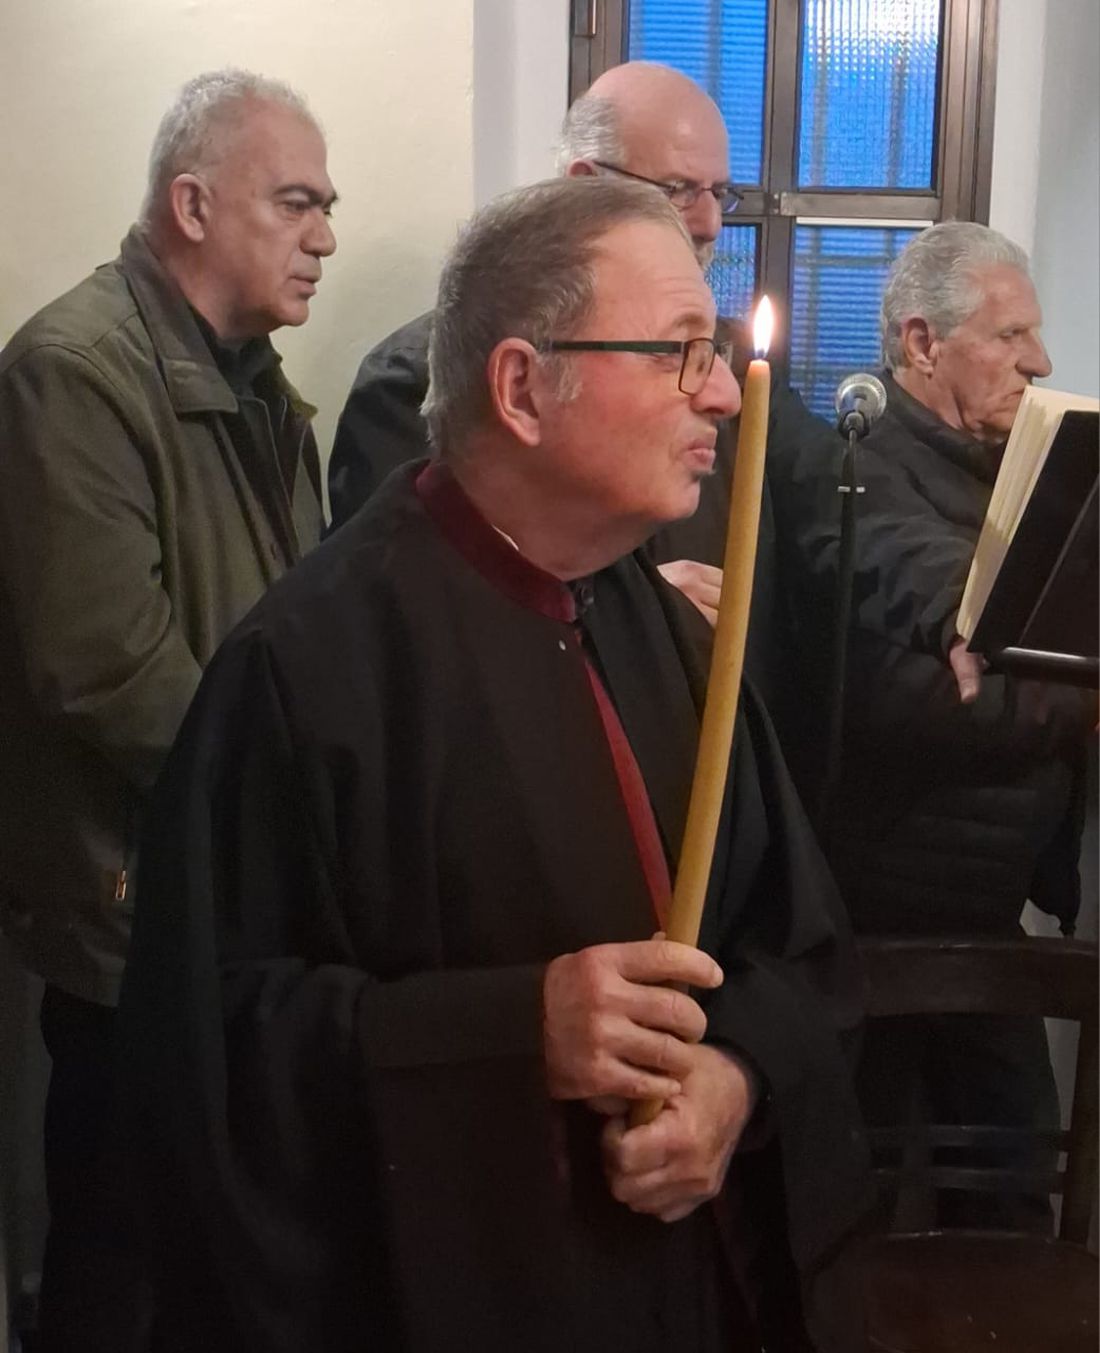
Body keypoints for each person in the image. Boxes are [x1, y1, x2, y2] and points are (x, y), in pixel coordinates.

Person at [119, 178, 870, 1353]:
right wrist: (518, 1031)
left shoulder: (667, 630)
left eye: (718, 353)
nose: (723, 393)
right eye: (678, 353)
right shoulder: (306, 669)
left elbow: (795, 941)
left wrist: (735, 1080)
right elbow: (212, 1050)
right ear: (522, 387)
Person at [0, 68, 335, 1349]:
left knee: (208, 1272)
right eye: (295, 202)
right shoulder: (73, 372)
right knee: (118, 1274)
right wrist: (296, 804)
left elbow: (289, 636)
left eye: (327, 206)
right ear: (192, 206)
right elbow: (105, 667)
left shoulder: (260, 386)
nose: (324, 236)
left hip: (224, 902)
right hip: (134, 919)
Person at [768, 220, 1096, 1226]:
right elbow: (905, 699)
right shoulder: (858, 470)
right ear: (921, 342)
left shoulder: (1011, 469)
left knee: (1009, 1204)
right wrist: (1085, 695)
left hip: (982, 906)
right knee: (867, 1210)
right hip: (879, 911)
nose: (1040, 363)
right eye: (1009, 336)